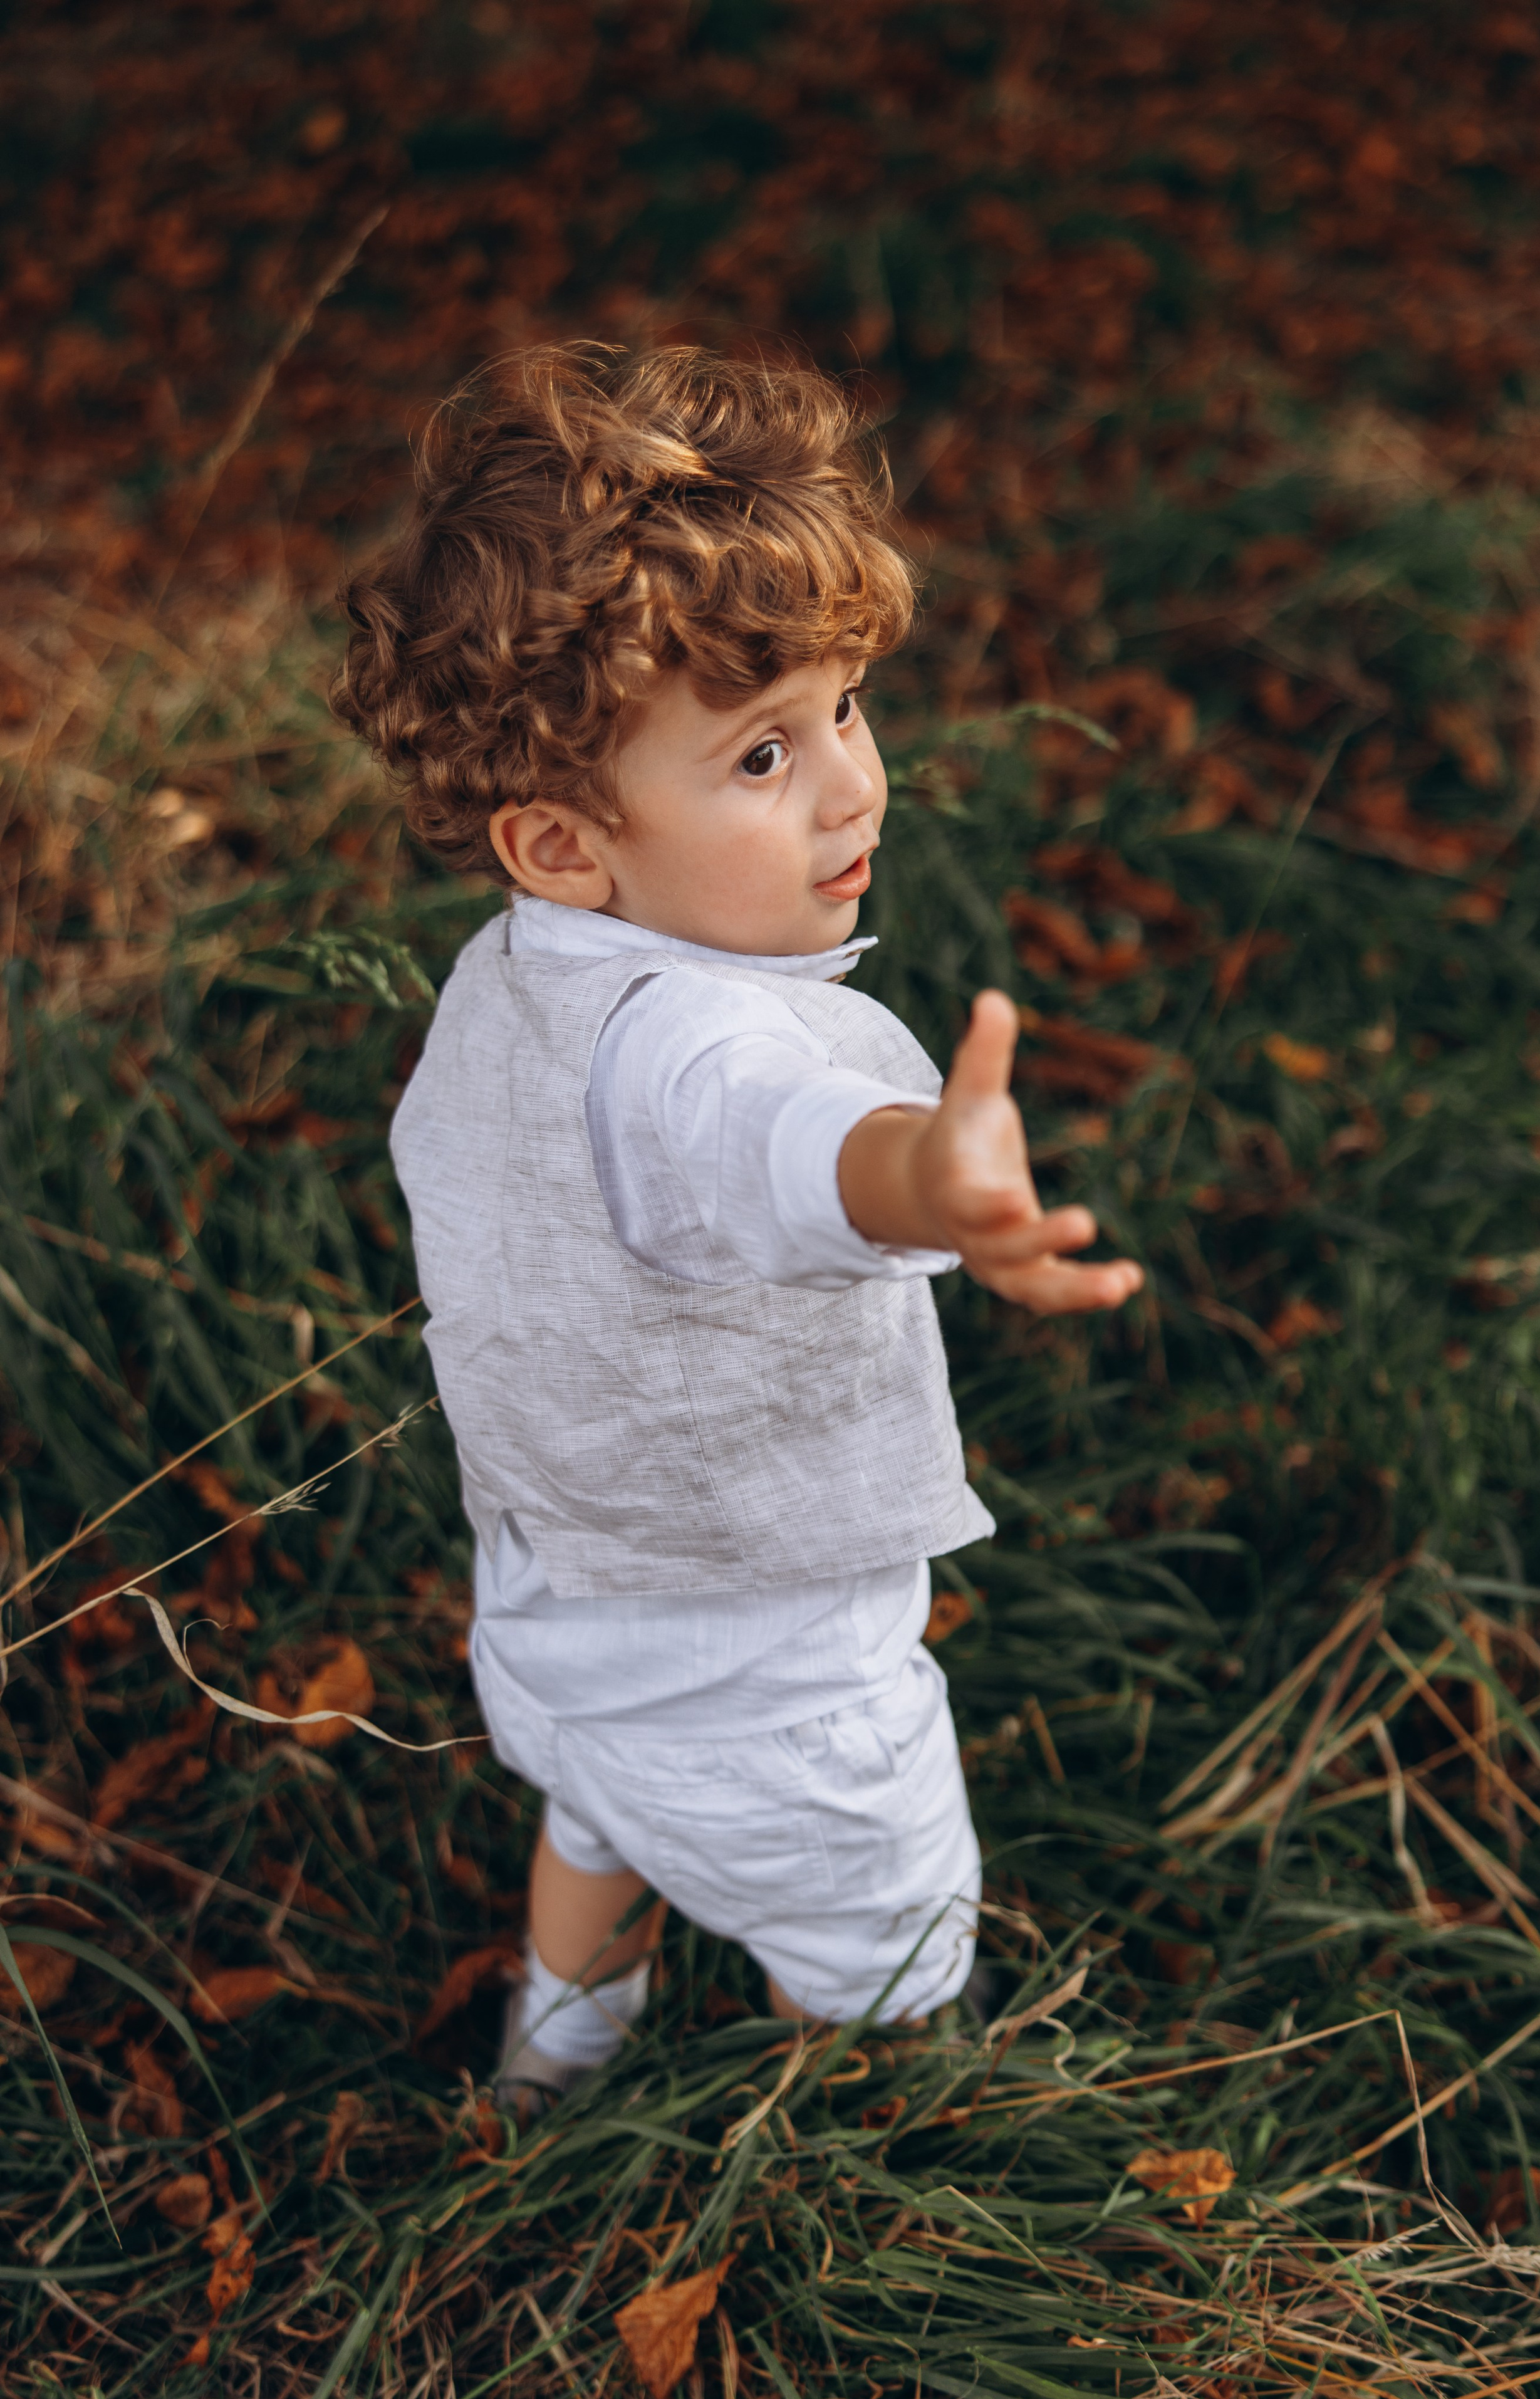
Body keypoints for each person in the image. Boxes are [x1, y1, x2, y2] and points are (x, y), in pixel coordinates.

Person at [334, 343, 1142, 2107]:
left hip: (565, 1604)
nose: (853, 785)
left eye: (847, 707)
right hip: (776, 1683)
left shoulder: (515, 978)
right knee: (890, 1943)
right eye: (764, 753)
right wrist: (928, 1178)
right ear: (561, 840)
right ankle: (848, 2164)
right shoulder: (699, 1052)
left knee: (603, 1817)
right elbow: (782, 1141)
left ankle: (552, 2061)